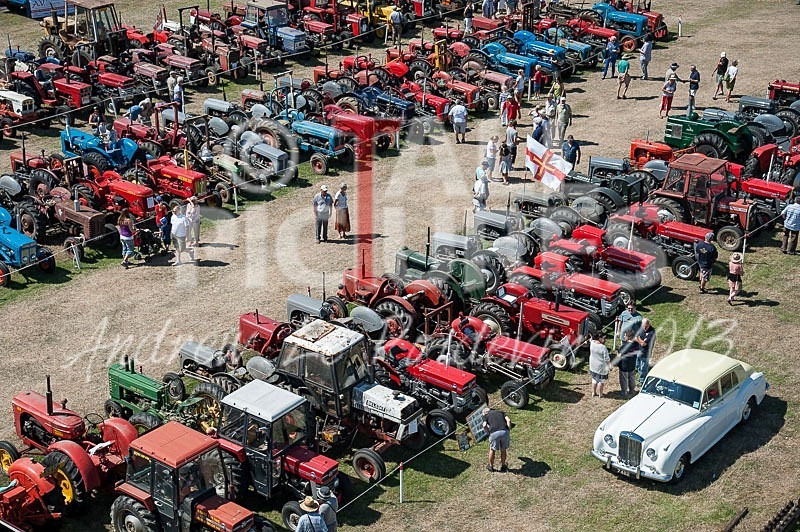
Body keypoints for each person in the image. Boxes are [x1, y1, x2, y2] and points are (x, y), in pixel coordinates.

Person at [481, 406, 511, 472]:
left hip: (494, 433)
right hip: (504, 432)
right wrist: (508, 430)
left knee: (492, 450)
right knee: (503, 450)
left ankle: (491, 466)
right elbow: (508, 420)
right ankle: (503, 466)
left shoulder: (485, 415)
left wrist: (488, 432)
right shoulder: (500, 412)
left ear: (485, 413)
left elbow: (484, 425)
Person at [614, 329, 639, 398]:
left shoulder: (624, 347)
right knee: (632, 378)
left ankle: (624, 392)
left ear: (628, 337)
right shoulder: (636, 344)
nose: (624, 336)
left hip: (624, 365)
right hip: (632, 363)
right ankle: (632, 390)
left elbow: (618, 356)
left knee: (624, 379)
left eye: (625, 335)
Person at [589, 333, 611, 398]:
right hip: (601, 367)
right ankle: (600, 394)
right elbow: (607, 359)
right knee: (601, 381)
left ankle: (593, 392)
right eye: (604, 338)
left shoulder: (592, 343)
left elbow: (590, 339)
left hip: (593, 365)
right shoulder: (603, 347)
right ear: (599, 338)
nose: (605, 340)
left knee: (594, 380)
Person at [635, 318, 655, 385]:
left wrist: (638, 339)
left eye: (646, 326)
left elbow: (643, 344)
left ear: (649, 324)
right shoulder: (642, 329)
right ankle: (641, 376)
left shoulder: (651, 333)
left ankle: (642, 381)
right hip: (639, 351)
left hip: (645, 353)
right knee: (638, 365)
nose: (644, 328)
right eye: (643, 326)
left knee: (643, 368)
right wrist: (639, 339)